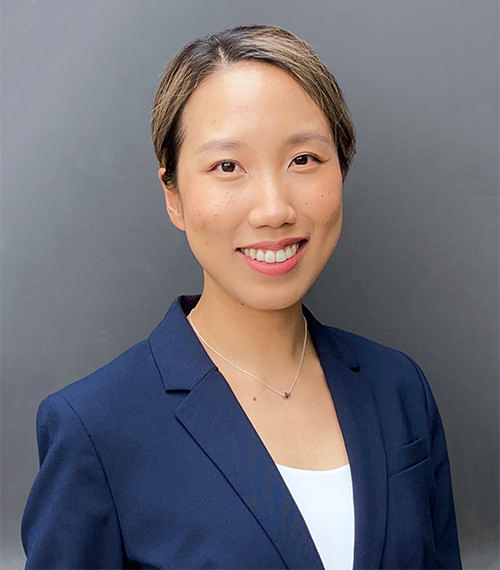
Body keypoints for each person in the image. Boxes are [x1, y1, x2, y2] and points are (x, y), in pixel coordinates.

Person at [21, 25, 462, 569]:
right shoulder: (94, 427)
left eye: (304, 159)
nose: (274, 209)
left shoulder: (398, 388)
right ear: (174, 196)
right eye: (227, 167)